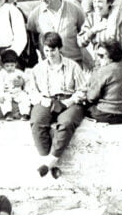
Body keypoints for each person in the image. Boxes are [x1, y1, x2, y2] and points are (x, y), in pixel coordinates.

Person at [27, 32, 86, 179]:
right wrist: (42, 100)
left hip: (69, 100)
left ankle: (49, 163)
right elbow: (32, 92)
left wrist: (69, 101)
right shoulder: (38, 69)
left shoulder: (73, 66)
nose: (50, 54)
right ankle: (49, 162)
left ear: (59, 48)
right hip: (46, 100)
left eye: (53, 50)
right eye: (46, 50)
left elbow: (82, 91)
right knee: (37, 122)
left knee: (66, 123)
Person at [27, 0, 85, 66]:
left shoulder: (74, 9)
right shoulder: (35, 14)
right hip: (49, 66)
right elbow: (33, 39)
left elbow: (84, 32)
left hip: (74, 63)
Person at [85, 39, 122, 124]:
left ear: (111, 57)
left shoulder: (103, 71)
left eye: (101, 56)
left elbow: (91, 97)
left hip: (107, 114)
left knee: (81, 107)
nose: (98, 59)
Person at [0, 49, 30, 120]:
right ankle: (8, 113)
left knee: (25, 98)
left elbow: (27, 80)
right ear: (3, 65)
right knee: (5, 100)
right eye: (7, 66)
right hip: (7, 92)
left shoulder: (19, 72)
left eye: (12, 65)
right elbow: (0, 85)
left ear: (16, 64)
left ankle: (25, 113)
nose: (10, 68)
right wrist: (0, 95)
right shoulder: (2, 74)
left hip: (18, 92)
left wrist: (26, 90)